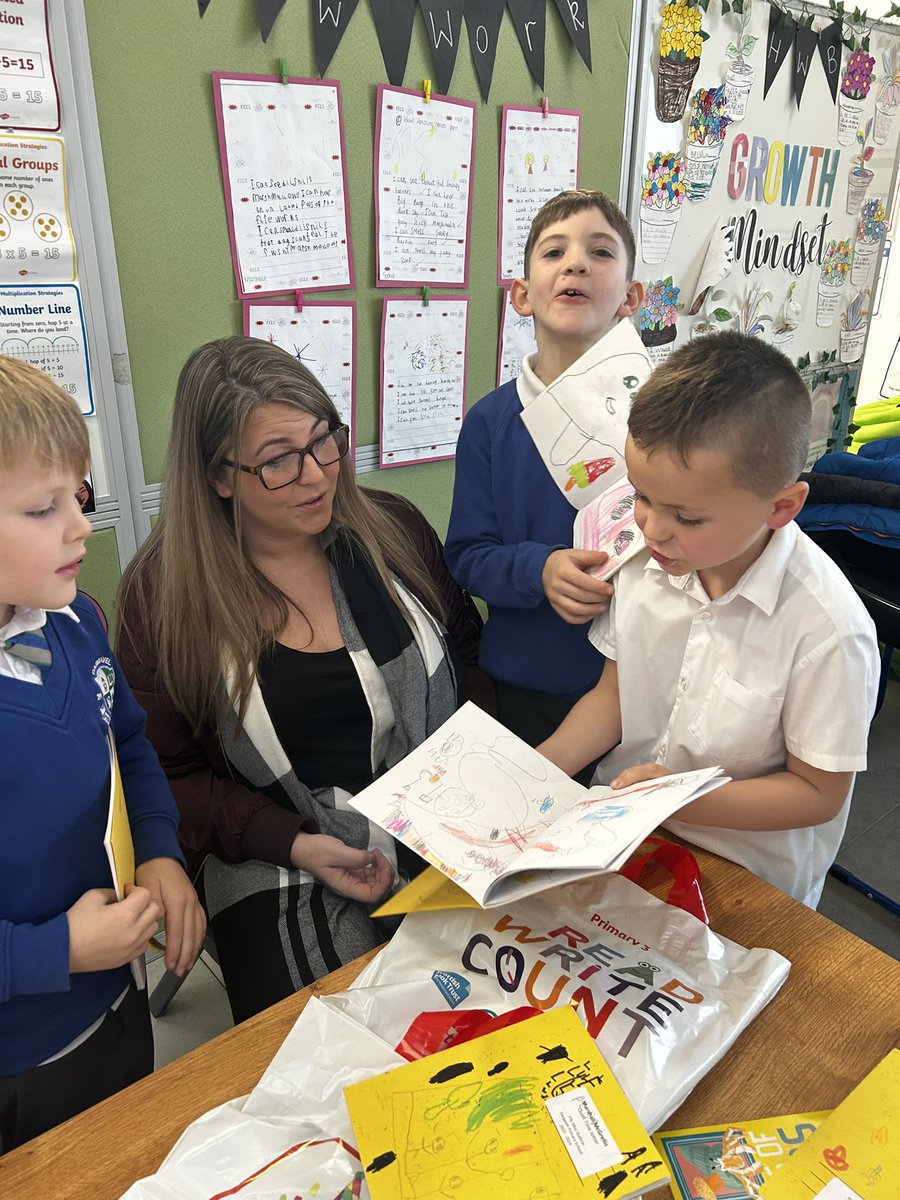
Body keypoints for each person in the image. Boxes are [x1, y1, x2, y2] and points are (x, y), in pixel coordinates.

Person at [116, 336, 490, 1023]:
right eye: (279, 462)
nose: (318, 474)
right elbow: (167, 775)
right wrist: (292, 840)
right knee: (334, 1038)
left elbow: (469, 660)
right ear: (219, 476)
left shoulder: (390, 530)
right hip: (272, 842)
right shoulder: (164, 596)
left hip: (441, 809)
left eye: (326, 441)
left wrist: (477, 795)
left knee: (513, 995)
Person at [538, 333, 880, 908]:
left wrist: (678, 799)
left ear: (781, 507)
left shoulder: (828, 630)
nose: (651, 528)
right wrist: (539, 774)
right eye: (641, 495)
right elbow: (614, 695)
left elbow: (818, 792)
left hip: (747, 870)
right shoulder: (646, 560)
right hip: (628, 832)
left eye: (687, 517)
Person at [0, 357, 205, 1152]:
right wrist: (57, 950)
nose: (83, 526)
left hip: (113, 1005)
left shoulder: (73, 619)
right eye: (43, 508)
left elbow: (128, 742)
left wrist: (158, 852)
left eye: (78, 498)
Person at [445, 189, 646, 753]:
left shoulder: (665, 416)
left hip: (644, 677)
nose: (576, 262)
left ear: (631, 296)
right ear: (523, 294)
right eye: (554, 252)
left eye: (600, 253)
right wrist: (541, 570)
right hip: (530, 682)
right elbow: (466, 554)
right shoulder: (491, 423)